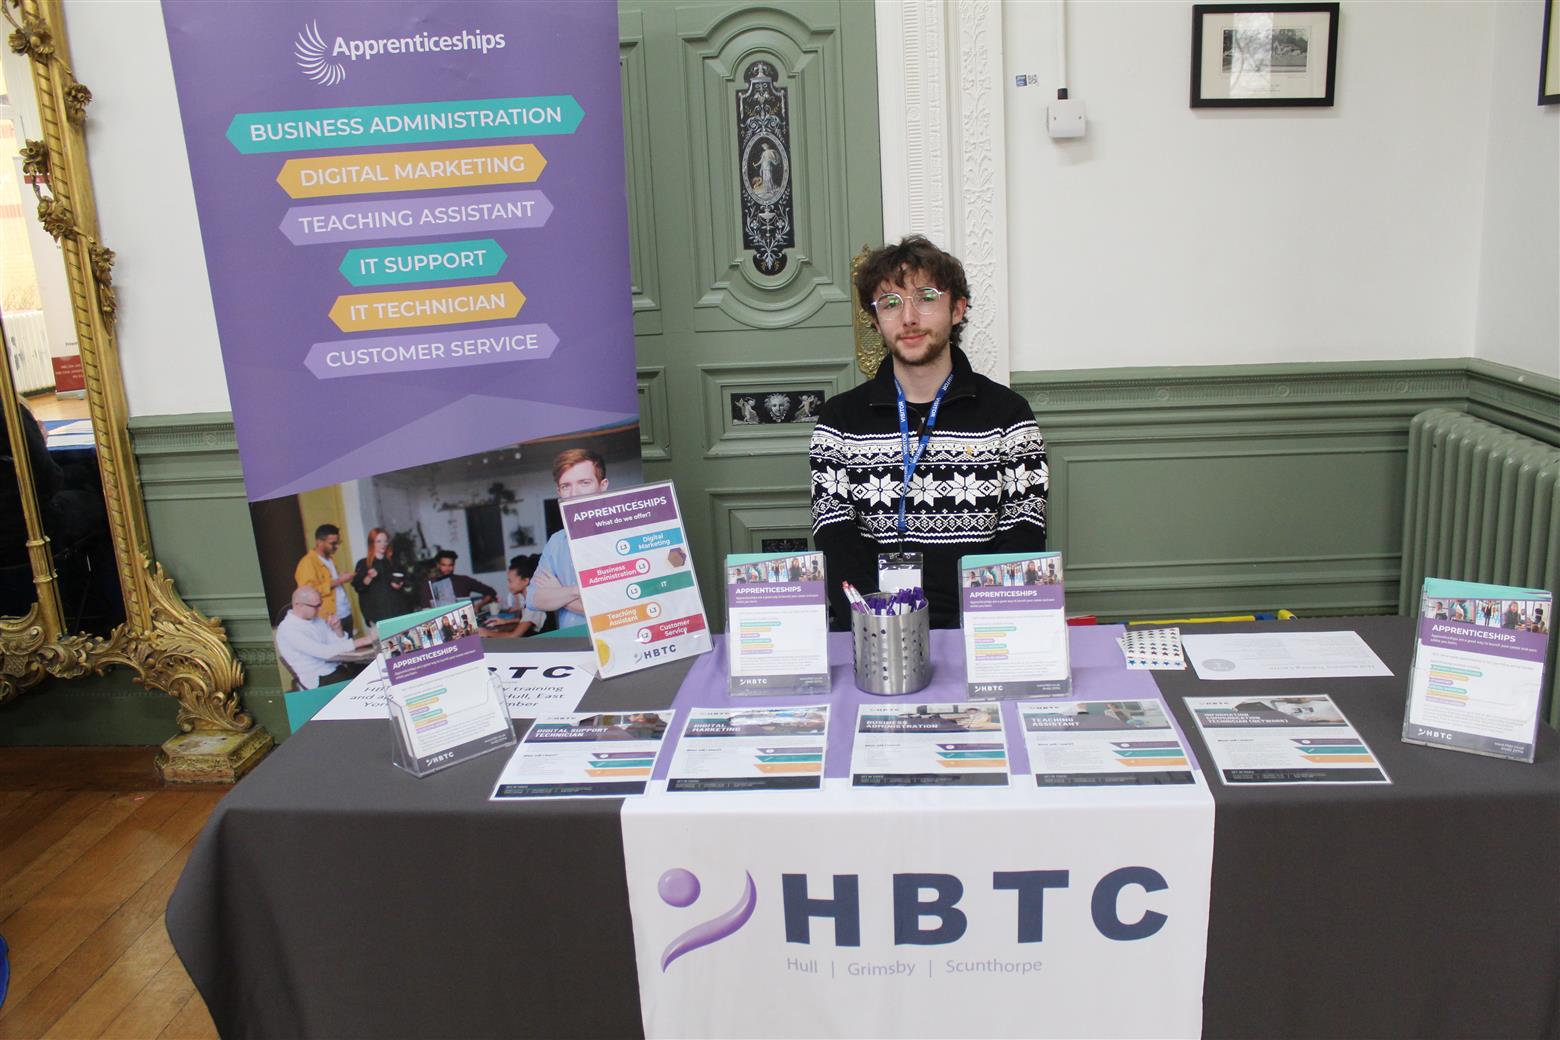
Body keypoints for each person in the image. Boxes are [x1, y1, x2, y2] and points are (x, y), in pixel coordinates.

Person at [809, 236, 1046, 629]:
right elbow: (836, 540)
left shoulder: (1008, 415)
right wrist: (885, 627)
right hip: (876, 632)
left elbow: (1022, 536)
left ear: (957, 309)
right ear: (875, 320)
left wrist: (985, 631)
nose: (908, 318)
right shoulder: (840, 420)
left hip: (978, 630)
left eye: (926, 298)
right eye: (890, 303)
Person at [527, 448, 609, 630]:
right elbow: (533, 598)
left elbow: (616, 608)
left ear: (603, 486)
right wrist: (576, 591)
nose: (574, 494)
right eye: (566, 486)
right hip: (571, 642)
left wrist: (558, 592)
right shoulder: (556, 541)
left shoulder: (622, 535)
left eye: (584, 483)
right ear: (559, 491)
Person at [275, 586, 373, 689]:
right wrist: (364, 640)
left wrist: (338, 629)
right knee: (366, 684)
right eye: (316, 606)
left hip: (336, 668)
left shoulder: (316, 619)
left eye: (320, 604)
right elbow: (325, 652)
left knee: (372, 670)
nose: (320, 609)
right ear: (298, 605)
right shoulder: (288, 629)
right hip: (318, 678)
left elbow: (337, 646)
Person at [294, 524, 355, 636]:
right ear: (319, 542)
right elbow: (306, 595)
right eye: (333, 543)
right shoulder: (307, 563)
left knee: (349, 645)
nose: (337, 546)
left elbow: (328, 582)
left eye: (338, 543)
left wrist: (340, 577)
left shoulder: (330, 559)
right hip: (328, 619)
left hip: (345, 613)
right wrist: (339, 581)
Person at [352, 527, 415, 627]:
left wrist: (401, 584)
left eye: (385, 541)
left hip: (399, 612)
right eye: (379, 541)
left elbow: (407, 581)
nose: (383, 544)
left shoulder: (393, 562)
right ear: (371, 543)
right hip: (377, 616)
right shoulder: (363, 564)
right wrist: (369, 577)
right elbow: (358, 587)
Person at [416, 549, 497, 609]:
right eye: (444, 565)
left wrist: (478, 606)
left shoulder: (464, 580)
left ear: (454, 565)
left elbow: (491, 592)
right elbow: (425, 608)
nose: (447, 568)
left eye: (450, 565)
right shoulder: (428, 583)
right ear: (438, 565)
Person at [495, 554, 548, 637]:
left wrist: (485, 632)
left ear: (525, 581)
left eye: (510, 581)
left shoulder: (534, 603)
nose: (508, 585)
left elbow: (514, 636)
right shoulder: (530, 599)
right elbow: (525, 620)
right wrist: (506, 621)